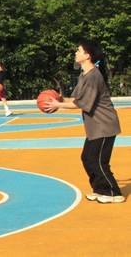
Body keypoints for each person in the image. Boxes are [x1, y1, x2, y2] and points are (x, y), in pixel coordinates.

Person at [43, 40, 124, 204]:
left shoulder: (93, 76)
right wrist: (59, 100)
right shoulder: (84, 74)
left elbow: (82, 103)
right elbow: (75, 99)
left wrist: (58, 105)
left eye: (79, 50)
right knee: (87, 158)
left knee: (98, 161)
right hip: (96, 127)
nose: (76, 53)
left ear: (87, 56)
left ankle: (112, 192)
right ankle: (100, 189)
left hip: (104, 125)